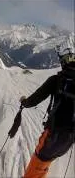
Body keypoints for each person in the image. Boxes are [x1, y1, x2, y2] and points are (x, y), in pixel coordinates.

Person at [19, 47, 75, 178]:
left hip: (54, 134)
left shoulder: (56, 80)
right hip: (70, 138)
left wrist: (24, 102)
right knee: (46, 160)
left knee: (39, 160)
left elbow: (34, 100)